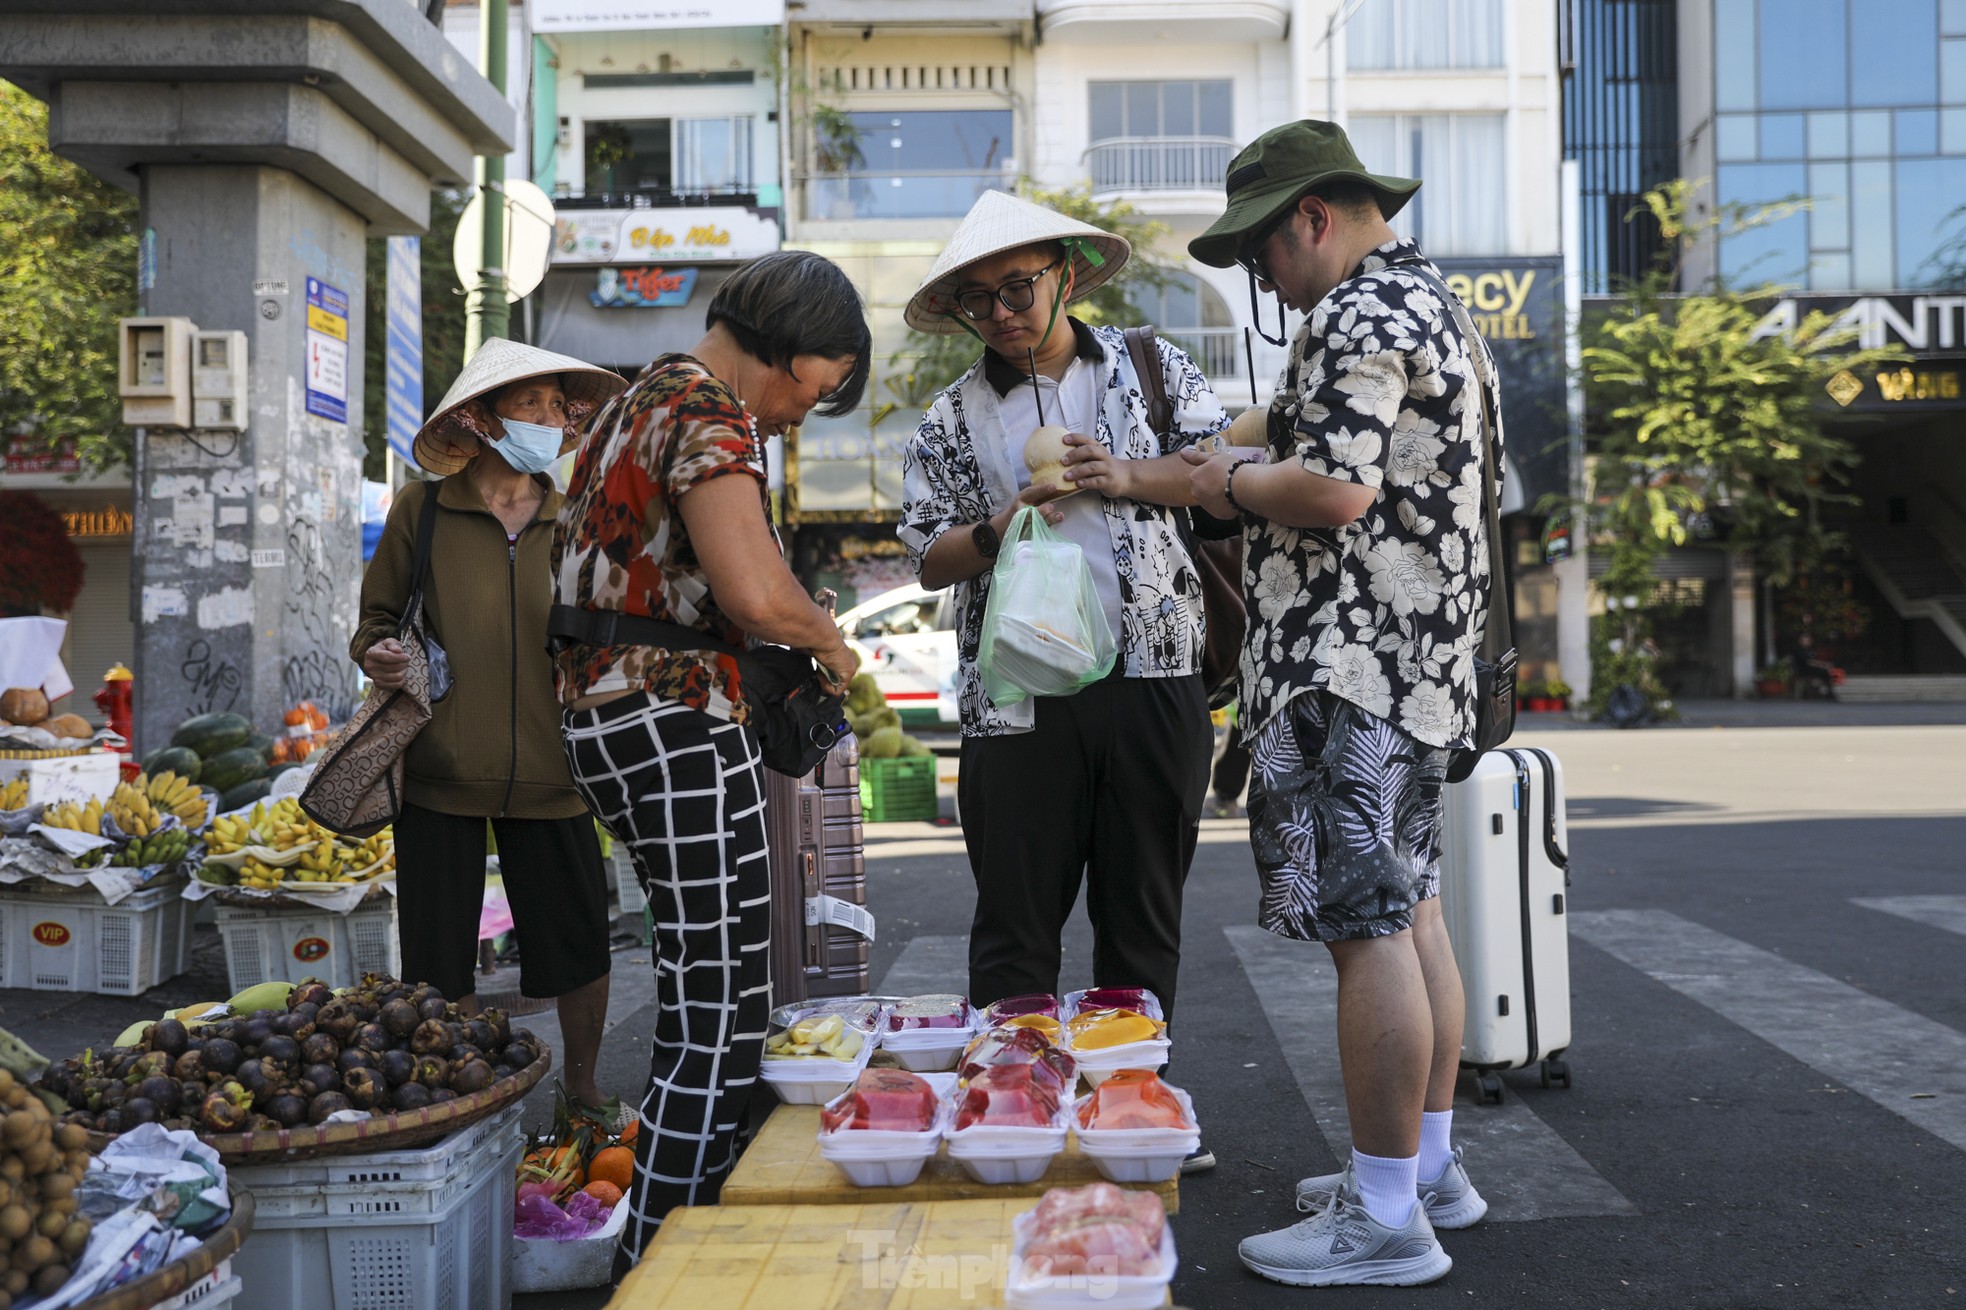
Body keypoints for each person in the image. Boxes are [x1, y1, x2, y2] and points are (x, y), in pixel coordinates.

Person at [1185, 120, 1504, 1287]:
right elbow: (1321, 434)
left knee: (1365, 930)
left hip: (1346, 665)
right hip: (1416, 666)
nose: (1261, 278)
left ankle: (1383, 1221)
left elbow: (1329, 487)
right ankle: (1424, 1170)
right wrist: (1228, 441)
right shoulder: (1434, 305)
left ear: (1308, 217)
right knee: (1410, 912)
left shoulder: (1358, 313)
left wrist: (1212, 478)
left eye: (1259, 254)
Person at [548, 250, 868, 1275]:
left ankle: (689, 1239)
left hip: (605, 717)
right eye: (810, 389)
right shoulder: (709, 409)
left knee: (703, 988)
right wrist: (830, 643)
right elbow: (754, 592)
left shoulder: (632, 398)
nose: (795, 416)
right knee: (719, 1014)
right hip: (672, 718)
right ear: (787, 337)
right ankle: (665, 1264)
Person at [898, 191, 1227, 1165]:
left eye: (1017, 286)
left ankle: (1135, 1103)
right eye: (977, 299)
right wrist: (999, 524)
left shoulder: (1152, 369)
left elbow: (1218, 474)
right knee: (1013, 927)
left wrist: (1122, 472)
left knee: (1141, 916)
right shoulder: (952, 414)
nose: (1000, 312)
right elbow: (923, 552)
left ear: (1067, 276)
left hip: (1153, 676)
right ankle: (1016, 1108)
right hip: (1015, 701)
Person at [352, 338, 628, 1112]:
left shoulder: (578, 516)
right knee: (441, 960)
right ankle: (461, 1099)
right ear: (479, 419)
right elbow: (377, 616)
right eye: (528, 405)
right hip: (441, 766)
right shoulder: (425, 511)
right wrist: (376, 650)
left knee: (577, 944)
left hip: (557, 767)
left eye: (555, 406)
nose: (547, 419)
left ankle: (581, 1088)